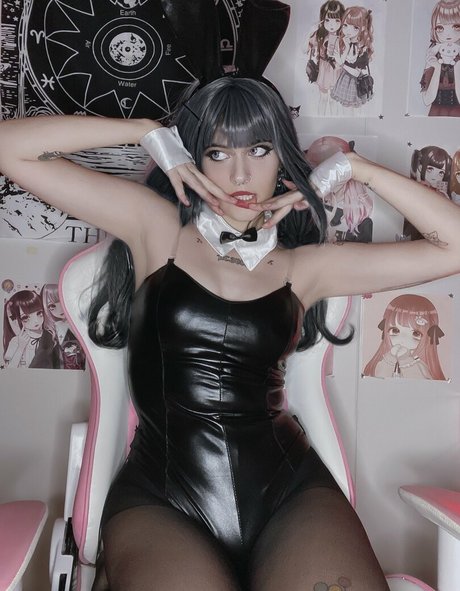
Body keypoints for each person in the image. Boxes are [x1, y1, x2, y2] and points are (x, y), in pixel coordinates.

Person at [1, 76, 460, 591]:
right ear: (193, 157)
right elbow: (9, 148)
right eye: (218, 153)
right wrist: (145, 132)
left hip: (289, 494)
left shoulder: (306, 268)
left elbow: (455, 246)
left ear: (282, 158)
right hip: (163, 498)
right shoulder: (156, 227)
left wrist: (354, 168)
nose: (240, 173)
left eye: (259, 150)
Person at [362, 294, 446, 380]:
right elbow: (378, 377)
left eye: (416, 333)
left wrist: (405, 360)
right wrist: (391, 359)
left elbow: (418, 382)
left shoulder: (420, 366)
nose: (402, 339)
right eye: (395, 330)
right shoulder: (385, 360)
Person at [420, 0, 460, 117]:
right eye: (440, 28)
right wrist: (437, 67)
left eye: (456, 26)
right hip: (436, 113)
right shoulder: (432, 59)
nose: (448, 34)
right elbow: (426, 99)